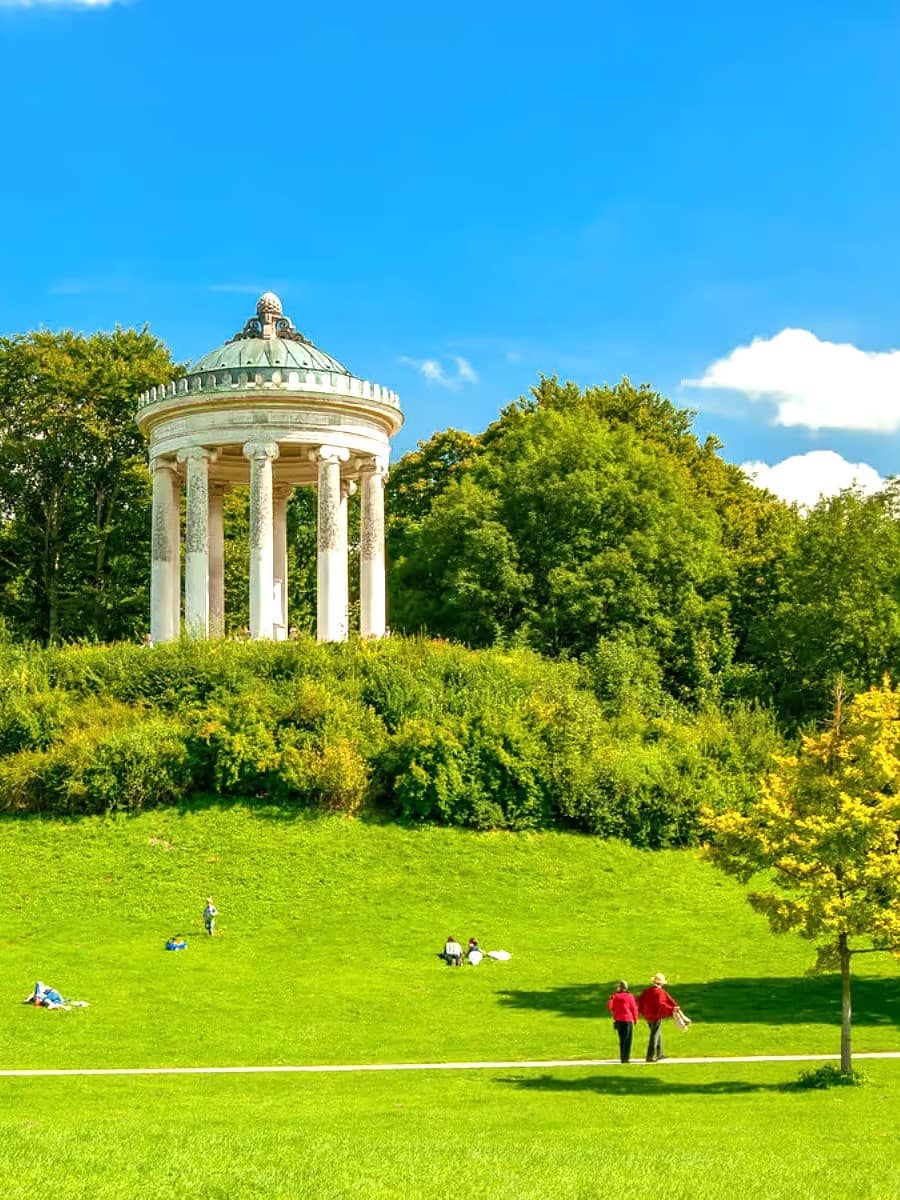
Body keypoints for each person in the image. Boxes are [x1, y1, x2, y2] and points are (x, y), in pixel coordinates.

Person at [637, 972, 679, 1063]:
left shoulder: (647, 990)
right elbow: (662, 1004)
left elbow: (639, 1001)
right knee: (654, 1034)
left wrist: (642, 1011)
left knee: (656, 1033)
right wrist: (672, 1008)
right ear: (661, 983)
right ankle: (650, 1056)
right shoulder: (660, 992)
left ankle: (659, 1053)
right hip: (655, 1015)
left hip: (648, 1016)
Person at [606, 980, 639, 1063]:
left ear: (619, 988)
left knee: (621, 1039)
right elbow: (634, 1008)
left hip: (618, 1020)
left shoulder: (615, 996)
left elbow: (610, 1006)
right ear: (626, 988)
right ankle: (626, 1058)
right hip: (628, 1020)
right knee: (628, 1040)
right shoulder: (630, 996)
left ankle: (622, 1057)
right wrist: (635, 1019)